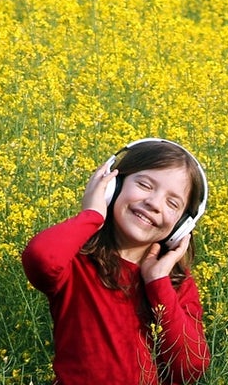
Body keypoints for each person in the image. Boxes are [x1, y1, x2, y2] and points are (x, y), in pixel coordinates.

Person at [21, 138, 212, 385]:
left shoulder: (176, 284)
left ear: (182, 225)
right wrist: (91, 216)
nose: (154, 203)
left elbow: (190, 369)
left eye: (172, 203)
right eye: (144, 185)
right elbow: (41, 258)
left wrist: (157, 282)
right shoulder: (78, 263)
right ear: (113, 185)